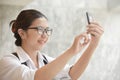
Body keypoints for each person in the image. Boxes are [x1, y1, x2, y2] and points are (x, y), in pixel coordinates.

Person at [0, 9, 104, 80]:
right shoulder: (8, 62)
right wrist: (71, 51)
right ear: (22, 33)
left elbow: (72, 74)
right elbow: (36, 77)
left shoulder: (45, 60)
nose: (45, 35)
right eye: (40, 30)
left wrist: (93, 44)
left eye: (47, 30)